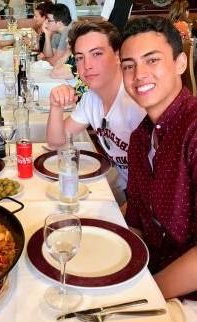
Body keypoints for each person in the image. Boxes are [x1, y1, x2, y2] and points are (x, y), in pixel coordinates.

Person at [121, 16, 197, 304]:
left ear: (180, 63)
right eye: (129, 65)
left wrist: (144, 294)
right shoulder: (140, 138)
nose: (139, 74)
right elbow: (138, 218)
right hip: (152, 273)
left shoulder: (193, 129)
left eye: (152, 60)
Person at [46, 21, 146, 205]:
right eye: (80, 58)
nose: (87, 66)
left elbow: (159, 179)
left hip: (146, 203)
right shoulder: (91, 97)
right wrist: (55, 107)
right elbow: (56, 142)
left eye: (97, 54)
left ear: (118, 56)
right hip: (127, 190)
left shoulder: (137, 103)